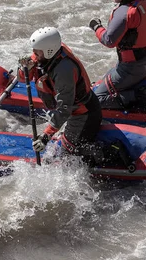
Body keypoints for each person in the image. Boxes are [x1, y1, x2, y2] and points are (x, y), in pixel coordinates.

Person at [18, 27, 103, 165]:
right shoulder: (45, 55)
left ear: (48, 51)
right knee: (64, 149)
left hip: (84, 114)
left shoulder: (64, 71)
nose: (33, 54)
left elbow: (64, 109)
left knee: (66, 156)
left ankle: (98, 153)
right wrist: (24, 69)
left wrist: (46, 136)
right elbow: (23, 78)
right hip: (74, 111)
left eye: (36, 52)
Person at [88, 0, 146, 111]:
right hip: (142, 63)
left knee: (96, 100)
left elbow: (109, 40)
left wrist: (96, 27)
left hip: (129, 69)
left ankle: (139, 96)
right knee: (100, 82)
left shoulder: (124, 13)